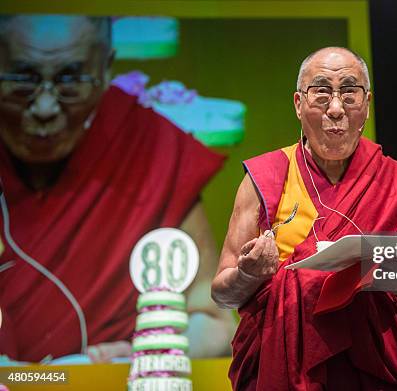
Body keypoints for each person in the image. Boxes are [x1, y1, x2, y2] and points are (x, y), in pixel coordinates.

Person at [0, 14, 235, 362]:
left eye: (71, 80)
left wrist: (138, 358)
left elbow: (215, 325)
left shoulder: (146, 149)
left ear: (105, 68)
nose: (45, 107)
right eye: (22, 79)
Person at [211, 47, 397, 390]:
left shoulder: (394, 182)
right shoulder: (265, 177)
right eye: (321, 92)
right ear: (298, 104)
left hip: (372, 369)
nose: (336, 109)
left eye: (349, 93)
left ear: (366, 104)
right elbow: (222, 294)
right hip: (285, 365)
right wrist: (248, 273)